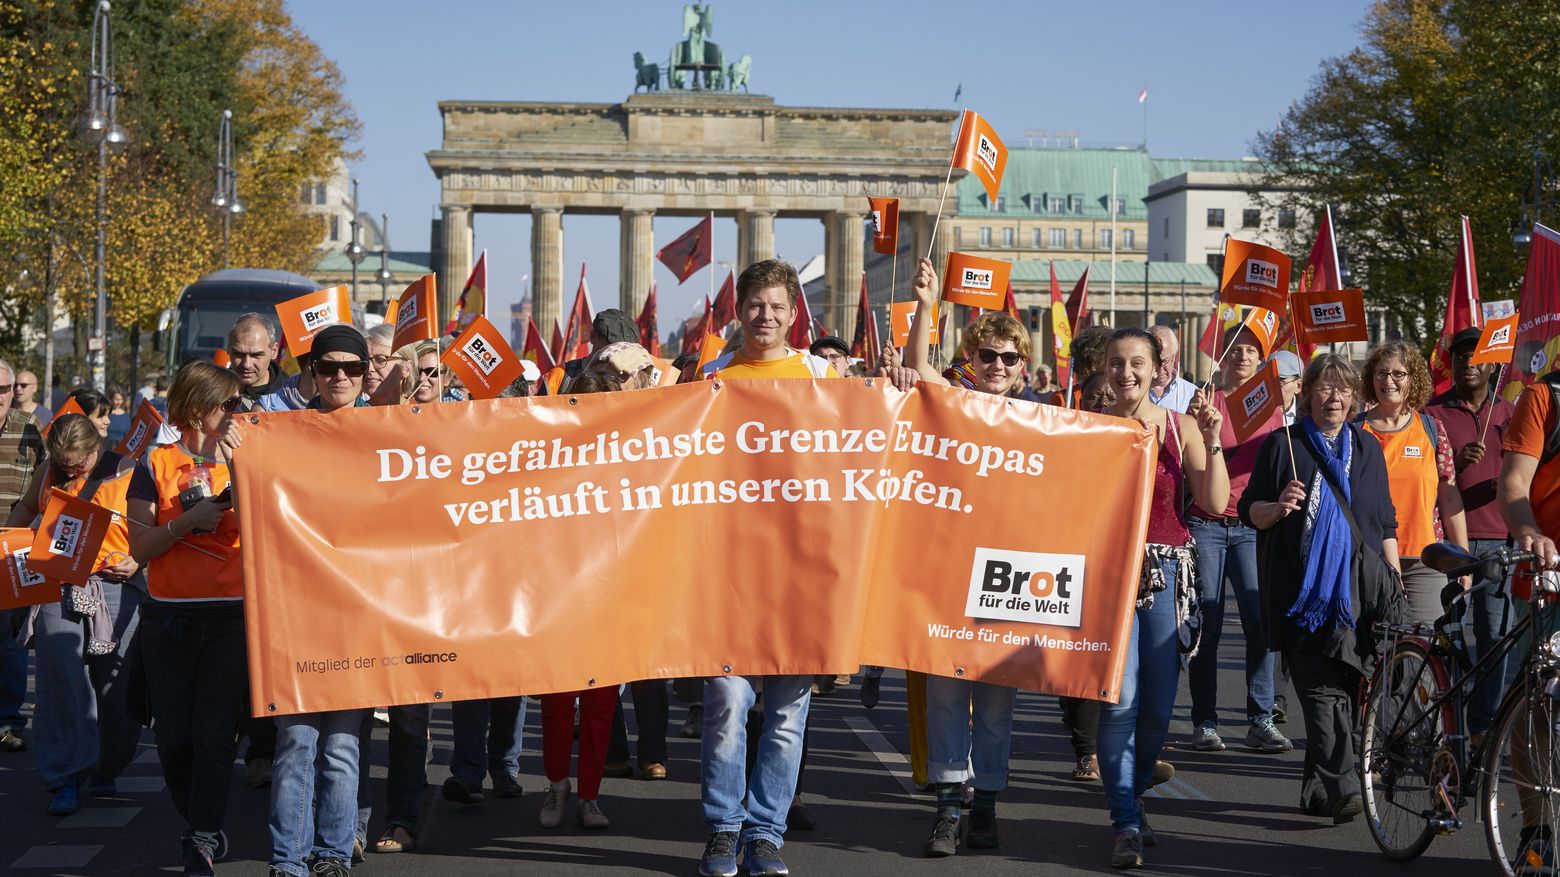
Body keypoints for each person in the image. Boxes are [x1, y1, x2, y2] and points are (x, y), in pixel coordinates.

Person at [696, 259, 835, 877]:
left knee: (786, 714)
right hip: (727, 573)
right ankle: (724, 827)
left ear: (793, 313)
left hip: (801, 572)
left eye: (778, 306)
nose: (767, 316)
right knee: (727, 703)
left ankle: (766, 833)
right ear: (739, 310)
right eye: (756, 304)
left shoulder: (822, 375)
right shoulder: (710, 376)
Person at [1239, 353, 1398, 828]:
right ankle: (1346, 786)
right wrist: (1278, 505)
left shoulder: (1367, 449)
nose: (1335, 397)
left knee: (1347, 692)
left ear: (1354, 397)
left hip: (1359, 593)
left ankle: (1315, 792)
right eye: (1326, 388)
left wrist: (1393, 579)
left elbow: (1383, 520)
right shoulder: (1281, 446)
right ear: (1307, 393)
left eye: (1344, 389)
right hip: (1301, 594)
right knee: (1322, 693)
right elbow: (1251, 512)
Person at [1094, 327, 1227, 869]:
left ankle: (1136, 795)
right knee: (1119, 704)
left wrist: (1214, 439)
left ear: (1157, 370)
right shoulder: (1089, 427)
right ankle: (1124, 819)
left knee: (1156, 711)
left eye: (1137, 364)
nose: (1126, 373)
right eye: (1116, 363)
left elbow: (1216, 501)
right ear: (1103, 370)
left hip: (1168, 573)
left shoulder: (1182, 426)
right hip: (1108, 574)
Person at [261, 324, 379, 877]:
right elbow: (242, 496)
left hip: (359, 612)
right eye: (329, 367)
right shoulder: (280, 431)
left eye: (352, 368)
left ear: (364, 374)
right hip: (298, 611)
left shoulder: (387, 432)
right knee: (296, 744)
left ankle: (332, 852)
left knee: (341, 746)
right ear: (310, 370)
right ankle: (288, 858)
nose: (339, 377)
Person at [126, 360, 248, 876]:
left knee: (214, 736)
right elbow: (140, 546)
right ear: (200, 409)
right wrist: (187, 523)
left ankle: (200, 837)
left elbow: (269, 522)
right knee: (173, 739)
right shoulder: (154, 464)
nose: (239, 412)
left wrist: (244, 467)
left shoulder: (248, 459)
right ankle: (196, 820)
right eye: (230, 404)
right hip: (168, 619)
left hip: (231, 618)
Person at [6, 413, 142, 815]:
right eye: (63, 463)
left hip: (114, 586)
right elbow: (28, 508)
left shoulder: (127, 471)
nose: (71, 470)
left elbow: (151, 526)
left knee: (114, 689)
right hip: (57, 583)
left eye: (78, 463)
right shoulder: (49, 470)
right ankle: (63, 777)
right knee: (61, 681)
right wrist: (8, 552)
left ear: (96, 447)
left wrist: (136, 561)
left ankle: (107, 767)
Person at [1185, 331, 1294, 756]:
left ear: (1263, 360)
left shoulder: (1272, 408)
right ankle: (1205, 722)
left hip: (1252, 525)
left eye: (1253, 350)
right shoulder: (1205, 401)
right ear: (1223, 356)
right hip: (1207, 523)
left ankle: (1260, 720)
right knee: (1207, 627)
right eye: (1237, 349)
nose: (1245, 355)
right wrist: (1199, 422)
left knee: (1259, 623)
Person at [1425, 326, 1517, 745]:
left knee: (1494, 638)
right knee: (1451, 638)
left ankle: (1482, 727)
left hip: (1501, 541)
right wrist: (1457, 465)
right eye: (1460, 356)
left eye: (1475, 356)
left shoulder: (1509, 413)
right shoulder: (1434, 414)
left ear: (1492, 363)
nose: (1467, 363)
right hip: (1450, 546)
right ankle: (1449, 724)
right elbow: (1425, 481)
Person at [538, 371, 621, 831]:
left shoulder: (631, 453)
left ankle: (590, 795)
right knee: (556, 700)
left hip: (611, 598)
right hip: (559, 598)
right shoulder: (551, 455)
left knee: (600, 705)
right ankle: (555, 786)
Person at [1496, 367, 1560, 872]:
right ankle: (1536, 830)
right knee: (1536, 701)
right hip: (1550, 574)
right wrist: (1529, 534)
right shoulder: (1545, 396)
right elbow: (1515, 481)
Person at [1359, 341, 1467, 622]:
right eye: (1381, 373)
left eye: (1398, 373)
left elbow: (1449, 496)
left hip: (1425, 560)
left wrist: (1462, 558)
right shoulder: (1354, 431)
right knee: (1373, 654)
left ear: (1413, 379)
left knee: (1425, 653)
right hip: (1370, 558)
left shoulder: (1432, 429)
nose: (1388, 381)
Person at [0, 357, 46, 754]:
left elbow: (47, 484)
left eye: (3, 389)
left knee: (11, 642)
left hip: (11, 551)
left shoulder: (29, 430)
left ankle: (9, 722)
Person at [539, 309, 642, 395]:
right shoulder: (560, 377)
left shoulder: (640, 381)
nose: (619, 354)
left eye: (627, 349)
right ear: (592, 336)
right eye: (613, 347)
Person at [226, 314, 288, 404]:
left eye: (256, 355)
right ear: (228, 349)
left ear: (274, 351)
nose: (247, 364)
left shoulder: (291, 398)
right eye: (239, 354)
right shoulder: (211, 392)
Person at [1148, 325, 1197, 413]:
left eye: (1164, 362)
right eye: (1153, 362)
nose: (1158, 370)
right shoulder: (1133, 391)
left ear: (1173, 357)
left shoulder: (1192, 393)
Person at [364, 324, 397, 399]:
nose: (369, 369)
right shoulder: (346, 410)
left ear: (407, 367)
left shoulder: (425, 409)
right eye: (365, 360)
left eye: (380, 359)